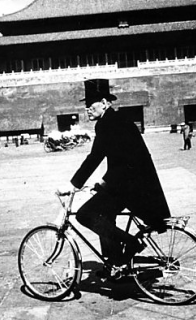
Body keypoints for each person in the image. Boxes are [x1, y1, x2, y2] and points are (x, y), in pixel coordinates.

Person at [59, 79, 171, 278]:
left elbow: (95, 157)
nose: (87, 109)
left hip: (129, 186)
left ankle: (131, 243)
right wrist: (102, 183)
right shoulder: (117, 120)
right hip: (135, 183)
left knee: (85, 215)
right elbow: (122, 158)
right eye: (85, 105)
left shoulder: (106, 124)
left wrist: (73, 184)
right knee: (105, 215)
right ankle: (114, 263)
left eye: (90, 104)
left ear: (104, 102)